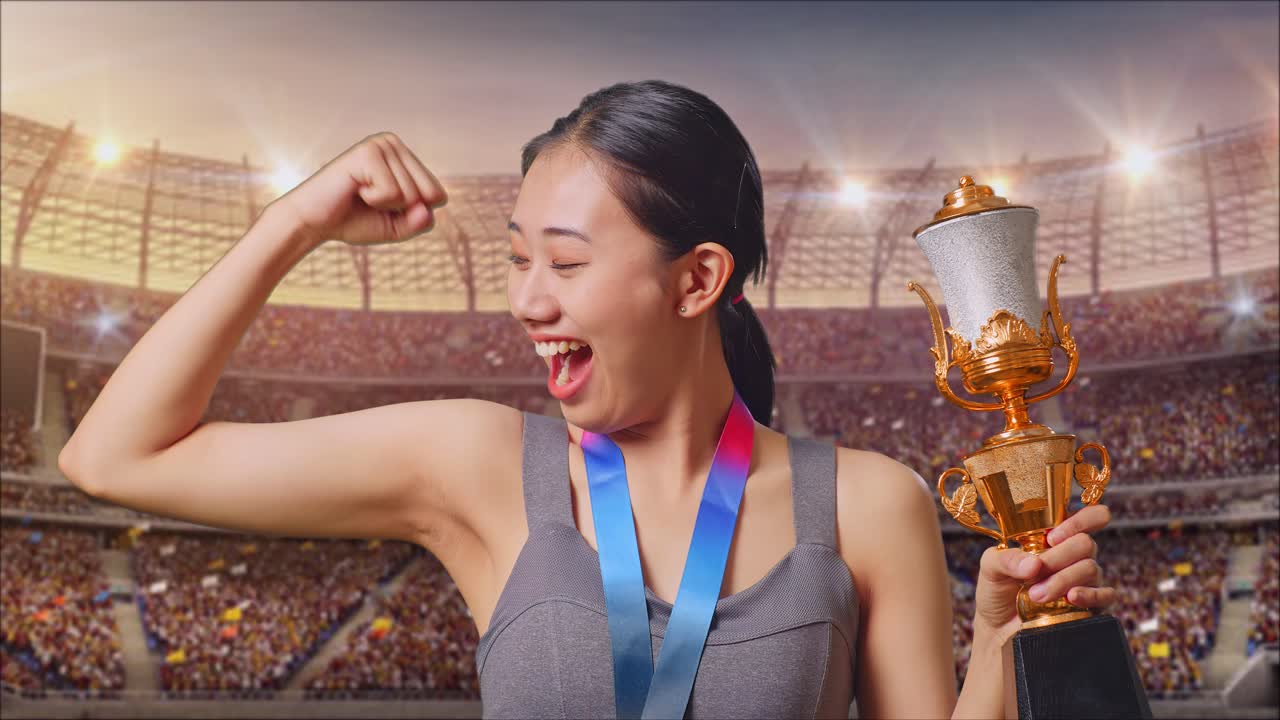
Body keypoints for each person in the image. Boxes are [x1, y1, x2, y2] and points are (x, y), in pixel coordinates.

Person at [59, 80, 1115, 718]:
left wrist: (1004, 641)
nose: (527, 303)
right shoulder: (474, 467)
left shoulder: (865, 504)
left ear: (696, 280)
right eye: (519, 259)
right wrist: (290, 222)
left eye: (564, 263)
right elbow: (114, 457)